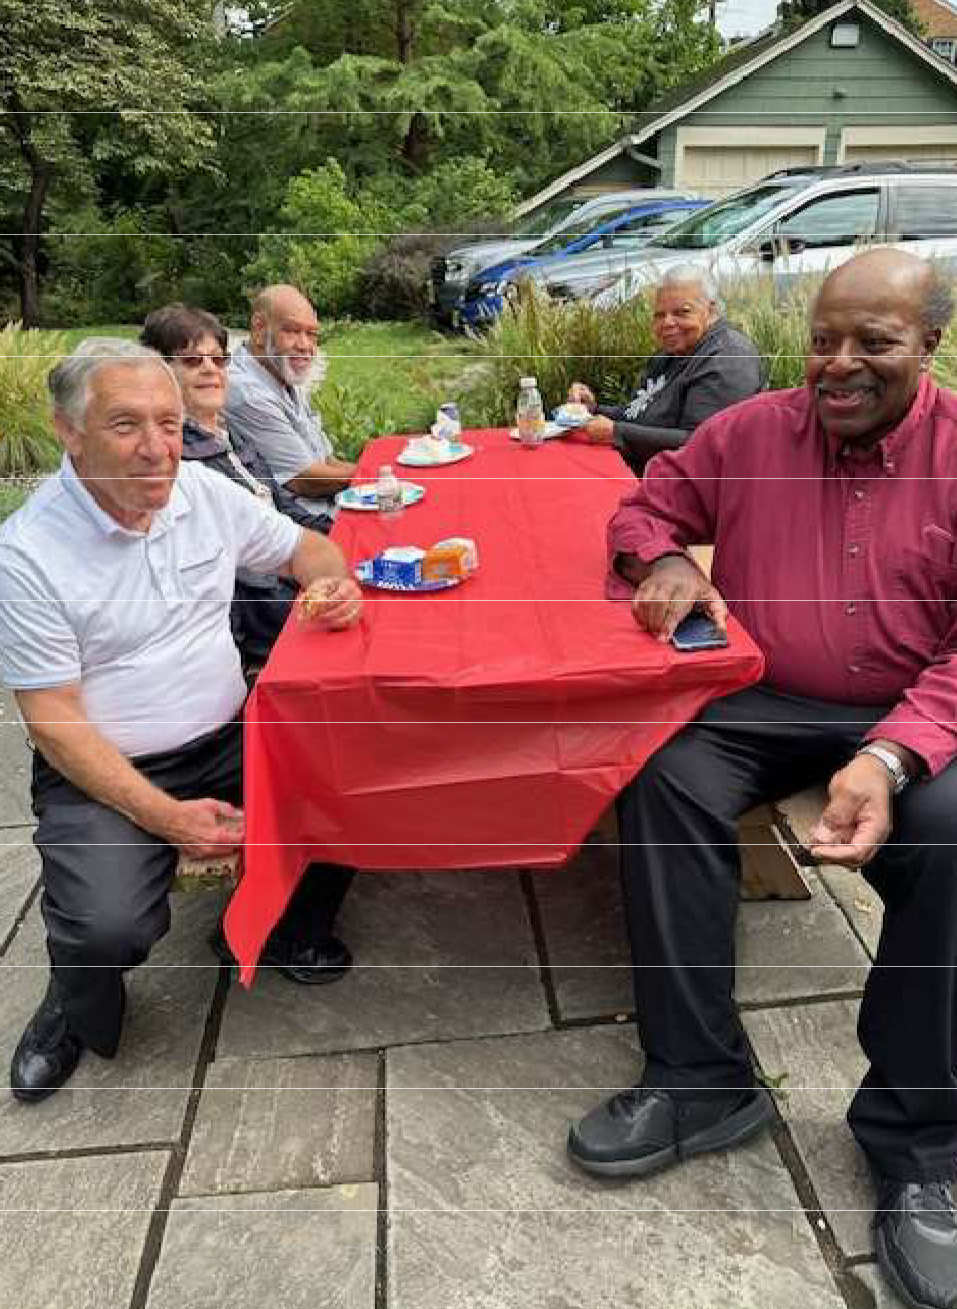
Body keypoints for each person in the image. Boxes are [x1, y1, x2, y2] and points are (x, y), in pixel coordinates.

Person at [567, 249, 957, 1308]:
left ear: (929, 344)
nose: (839, 363)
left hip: (914, 709)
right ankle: (702, 1079)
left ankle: (920, 1134)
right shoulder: (748, 432)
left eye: (873, 342)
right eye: (825, 338)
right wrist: (667, 560)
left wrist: (886, 757)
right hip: (766, 695)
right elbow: (644, 503)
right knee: (663, 775)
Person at [0, 340, 364, 1102]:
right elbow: (55, 725)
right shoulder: (26, 554)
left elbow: (311, 551)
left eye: (168, 423)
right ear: (69, 430)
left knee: (354, 778)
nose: (157, 447)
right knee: (108, 927)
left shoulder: (202, 490)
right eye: (126, 425)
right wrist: (169, 819)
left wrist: (334, 587)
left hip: (230, 733)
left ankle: (287, 922)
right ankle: (75, 994)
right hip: (107, 768)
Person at [141, 302, 299, 669]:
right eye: (193, 361)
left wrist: (339, 540)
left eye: (219, 359)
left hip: (290, 576)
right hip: (268, 621)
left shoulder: (230, 430)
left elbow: (282, 504)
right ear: (159, 371)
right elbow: (235, 577)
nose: (211, 370)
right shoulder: (175, 458)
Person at [566, 266, 762, 475]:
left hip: (687, 494)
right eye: (660, 315)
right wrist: (593, 410)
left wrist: (616, 432)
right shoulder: (673, 352)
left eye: (682, 312)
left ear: (711, 311)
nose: (667, 323)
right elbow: (641, 414)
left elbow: (698, 443)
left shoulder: (728, 357)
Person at [225, 284, 355, 528]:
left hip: (326, 506)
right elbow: (304, 479)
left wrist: (381, 472)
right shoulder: (246, 392)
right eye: (292, 331)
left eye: (312, 334)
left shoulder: (280, 371)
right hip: (302, 525)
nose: (305, 345)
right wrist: (377, 476)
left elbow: (326, 460)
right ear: (260, 330)